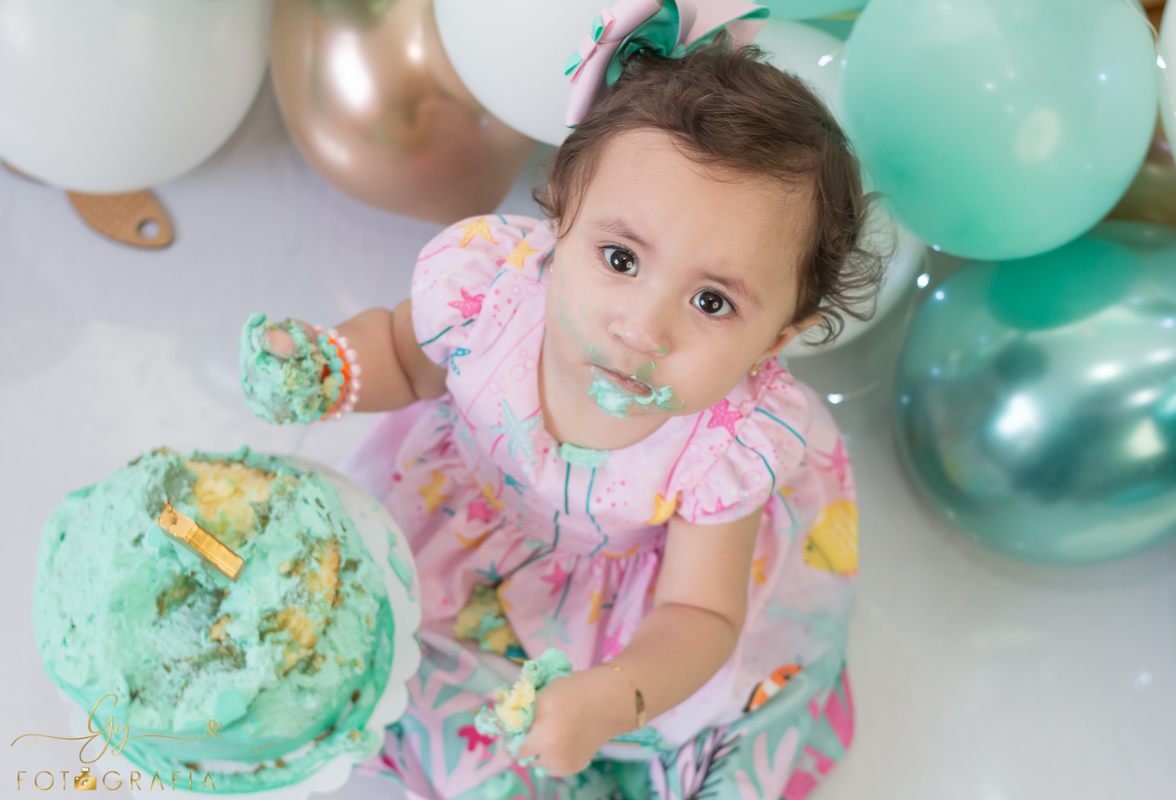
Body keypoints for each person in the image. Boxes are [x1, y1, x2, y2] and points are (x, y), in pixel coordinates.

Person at [241, 19, 881, 800]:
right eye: (620, 259)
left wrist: (615, 697)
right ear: (560, 218)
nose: (643, 328)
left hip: (623, 620)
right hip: (454, 525)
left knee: (646, 754)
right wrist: (331, 366)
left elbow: (699, 613)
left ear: (778, 336)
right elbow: (402, 359)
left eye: (712, 301)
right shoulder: (491, 296)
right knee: (372, 666)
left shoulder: (724, 446)